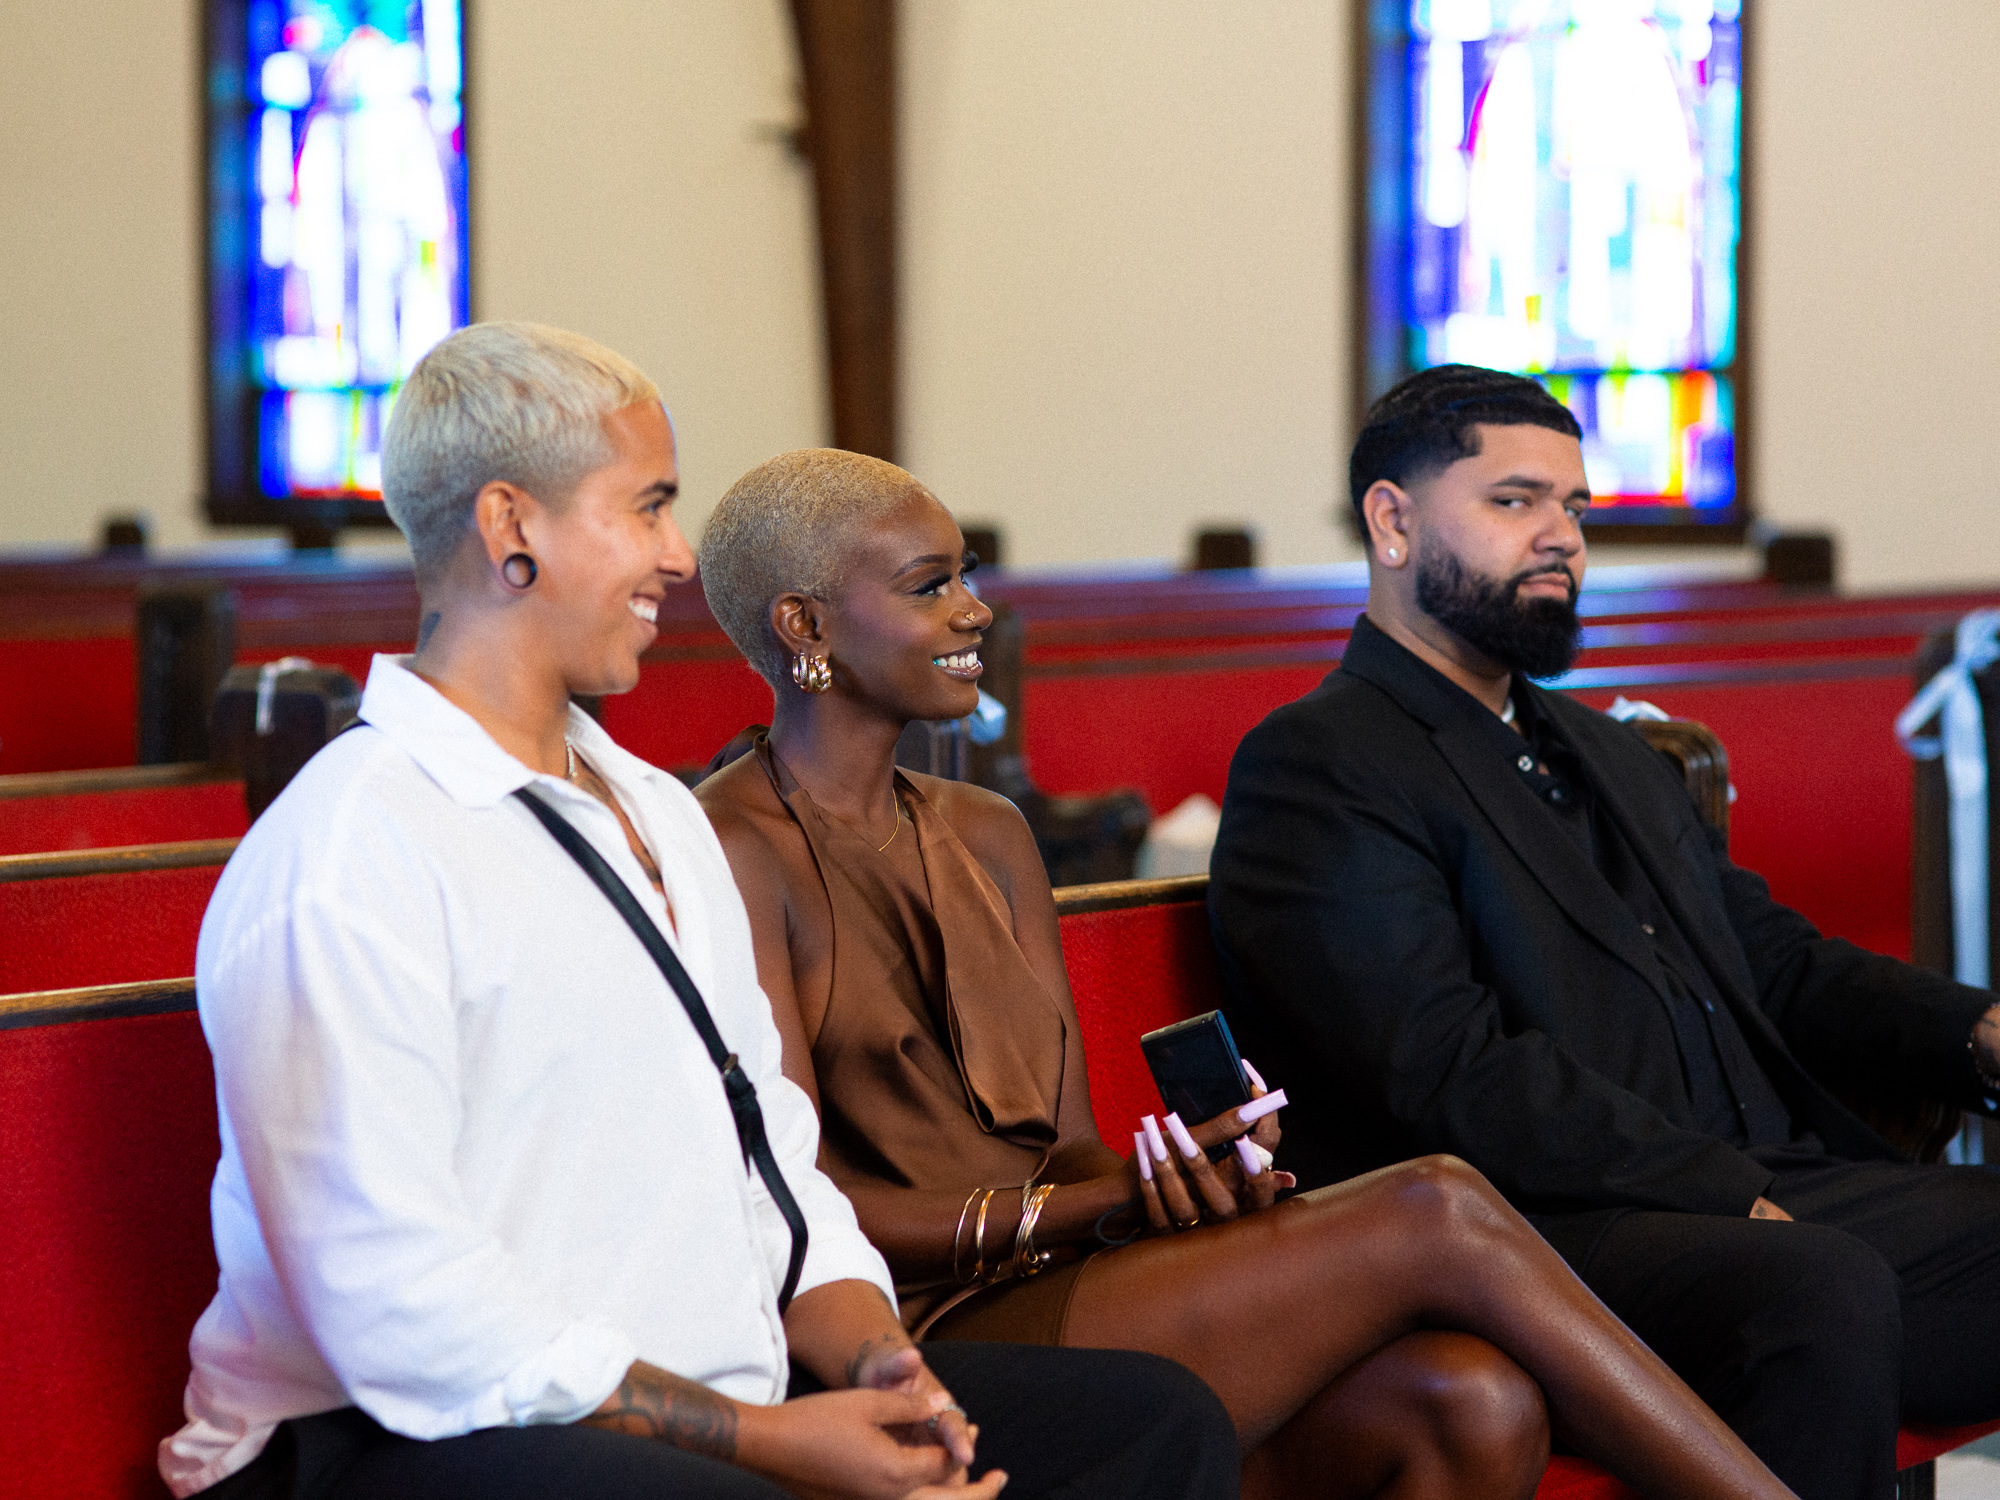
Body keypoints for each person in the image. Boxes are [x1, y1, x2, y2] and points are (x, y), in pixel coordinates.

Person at [158, 323, 1242, 1500]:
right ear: (511, 528)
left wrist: (883, 1364)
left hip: (708, 1388)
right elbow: (395, 1302)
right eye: (646, 508)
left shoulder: (653, 815)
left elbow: (773, 1157)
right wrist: (767, 1440)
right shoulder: (351, 849)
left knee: (1152, 1426)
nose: (679, 558)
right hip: (399, 1435)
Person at [692, 446, 1798, 1500]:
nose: (975, 610)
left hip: (1062, 1269)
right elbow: (793, 1208)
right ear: (805, 623)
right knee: (1437, 1202)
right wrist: (1094, 1208)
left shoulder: (987, 833)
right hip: (910, 1318)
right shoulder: (731, 848)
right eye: (931, 586)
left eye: (968, 578)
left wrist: (1185, 1180)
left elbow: (1066, 1140)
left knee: (1471, 1401)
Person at [1207, 362, 2000, 1500]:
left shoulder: (1612, 752)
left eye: (1573, 508)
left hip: (1742, 1188)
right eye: (1512, 501)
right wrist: (1719, 1192)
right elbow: (1438, 1068)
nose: (1561, 538)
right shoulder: (1321, 764)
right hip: (1531, 1224)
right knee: (1814, 1290)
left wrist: (1974, 1036)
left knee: (1839, 1269)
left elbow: (1774, 966)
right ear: (1390, 521)